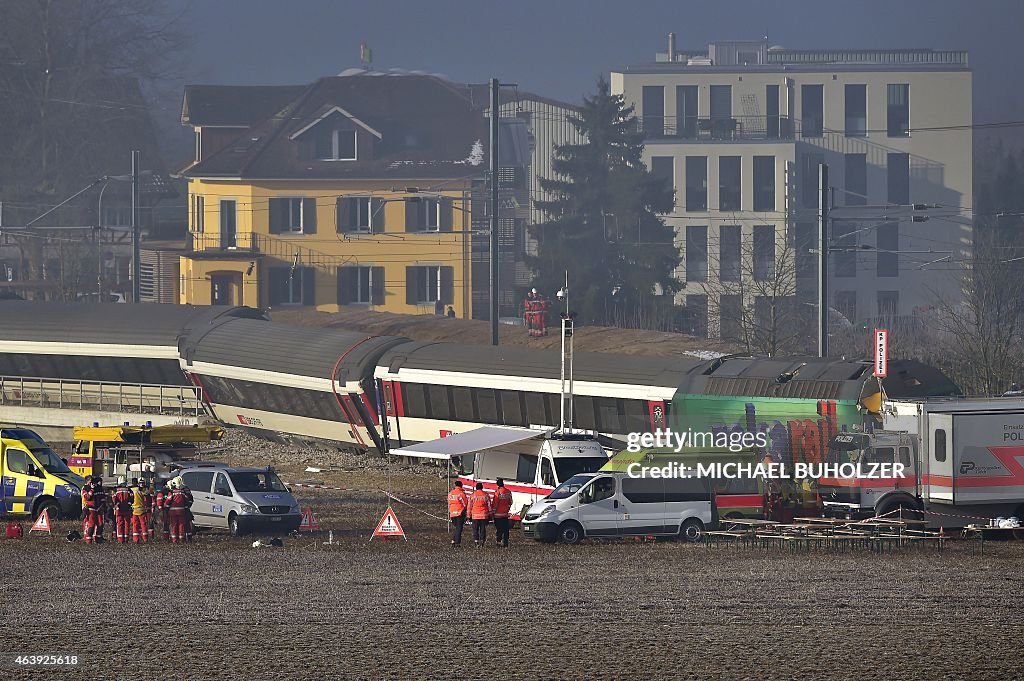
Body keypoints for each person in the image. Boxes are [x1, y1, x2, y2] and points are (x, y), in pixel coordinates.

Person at [166, 477, 194, 544]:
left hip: (173, 512)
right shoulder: (183, 492)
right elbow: (188, 500)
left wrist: (166, 508)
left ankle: (174, 540)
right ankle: (182, 539)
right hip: (182, 511)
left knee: (174, 526)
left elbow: (167, 502)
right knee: (181, 525)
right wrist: (187, 507)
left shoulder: (172, 492)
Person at [82, 476, 108, 544]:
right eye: (93, 482)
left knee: (100, 524)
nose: (95, 484)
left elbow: (102, 497)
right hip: (90, 509)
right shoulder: (86, 488)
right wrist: (92, 489)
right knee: (91, 525)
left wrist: (103, 506)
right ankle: (88, 540)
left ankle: (98, 539)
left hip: (99, 509)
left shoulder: (99, 488)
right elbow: (87, 497)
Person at [491, 478, 514, 548]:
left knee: (499, 529)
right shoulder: (508, 492)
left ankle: (498, 541)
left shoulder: (497, 493)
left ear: (497, 485)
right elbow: (511, 502)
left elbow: (495, 504)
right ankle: (506, 543)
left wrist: (493, 513)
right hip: (505, 514)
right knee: (506, 529)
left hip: (498, 515)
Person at [468, 482, 491, 547]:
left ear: (476, 488)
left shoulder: (472, 495)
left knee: (475, 529)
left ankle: (476, 541)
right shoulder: (486, 495)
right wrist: (490, 514)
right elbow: (489, 506)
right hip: (484, 515)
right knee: (483, 529)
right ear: (482, 487)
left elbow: (469, 506)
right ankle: (482, 541)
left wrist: (468, 515)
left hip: (475, 516)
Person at [111, 476, 134, 544]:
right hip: (127, 509)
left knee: (119, 524)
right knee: (127, 524)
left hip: (119, 510)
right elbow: (132, 499)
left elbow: (114, 500)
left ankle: (120, 539)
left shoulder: (115, 490)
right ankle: (126, 539)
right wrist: (128, 505)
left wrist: (118, 505)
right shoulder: (129, 490)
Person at [447, 480, 469, 546]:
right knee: (459, 528)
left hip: (452, 513)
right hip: (459, 513)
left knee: (457, 528)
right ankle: (457, 543)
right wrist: (466, 513)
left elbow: (449, 502)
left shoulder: (450, 493)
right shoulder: (461, 493)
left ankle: (453, 541)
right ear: (461, 486)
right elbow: (465, 504)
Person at [130, 479, 148, 544]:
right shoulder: (140, 490)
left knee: (135, 525)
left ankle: (135, 539)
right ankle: (145, 538)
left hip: (134, 510)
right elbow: (146, 494)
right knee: (143, 524)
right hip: (141, 510)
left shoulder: (131, 490)